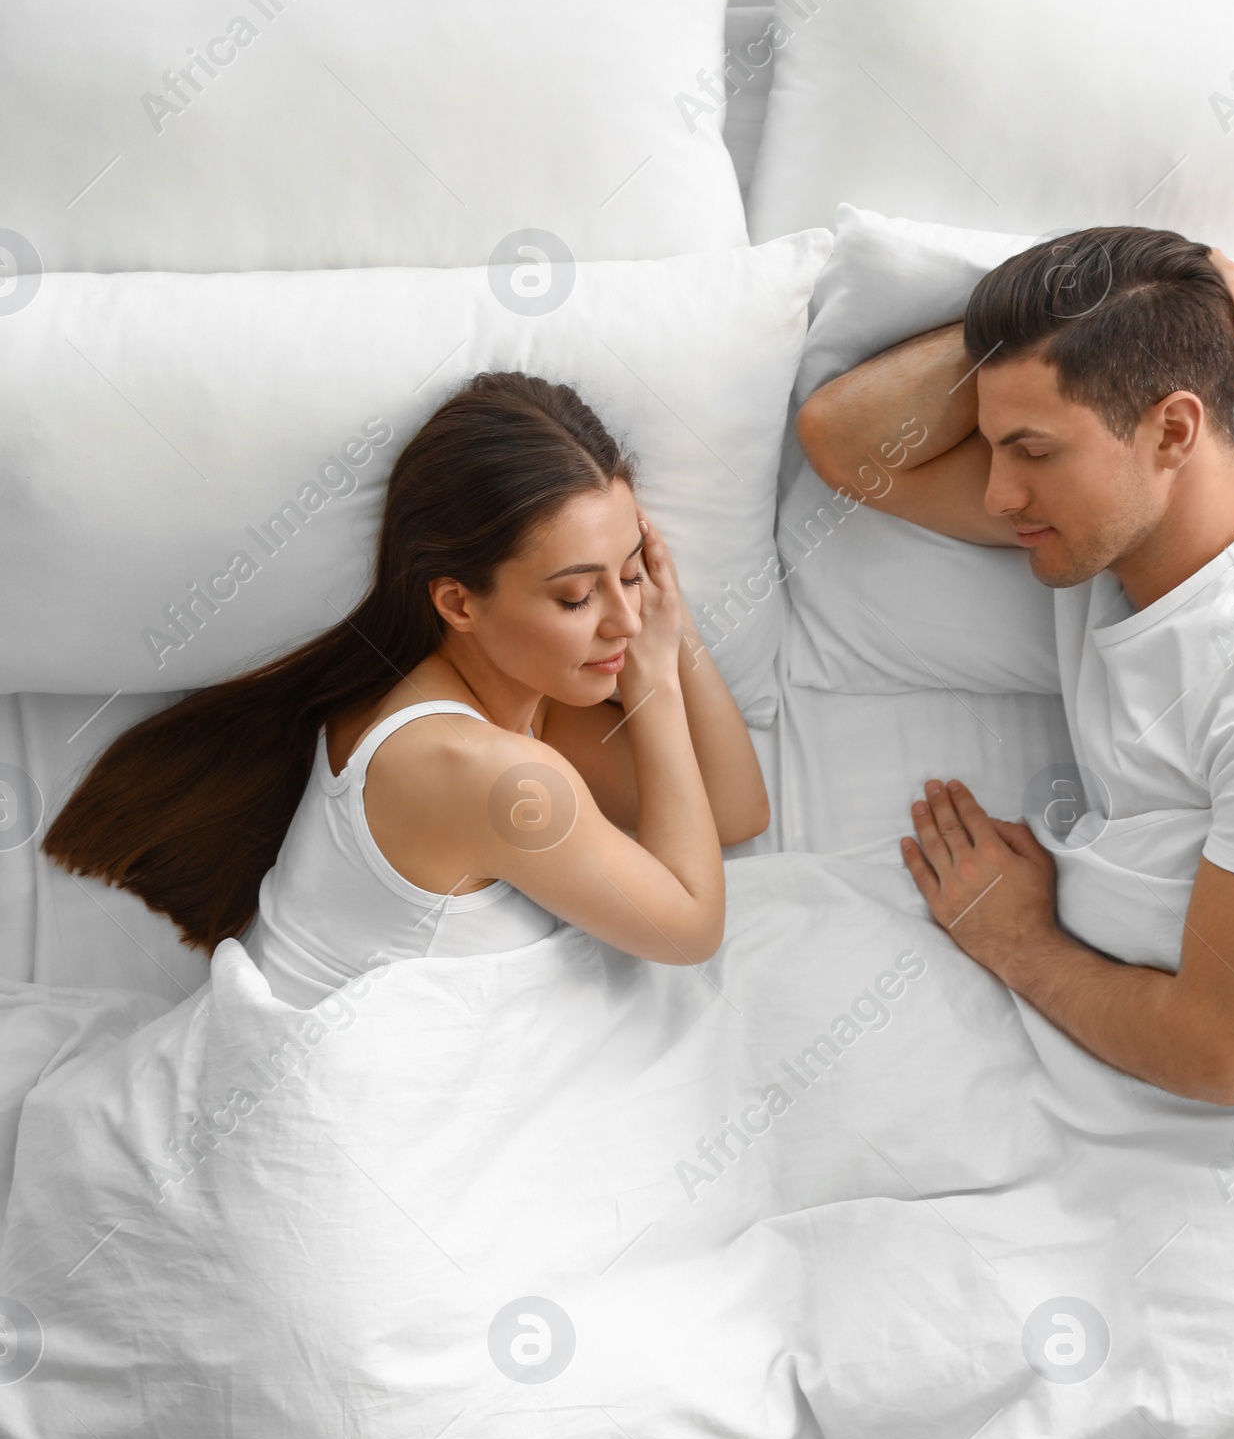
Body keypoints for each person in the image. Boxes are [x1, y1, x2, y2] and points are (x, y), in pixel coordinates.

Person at [795, 230, 1234, 1105]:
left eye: (1032, 452)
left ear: (1174, 430)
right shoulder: (1132, 516)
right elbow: (846, 437)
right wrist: (1142, 298)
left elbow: (1217, 1057)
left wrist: (1014, 937)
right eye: (994, 446)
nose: (999, 493)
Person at [44, 373, 769, 1004]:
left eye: (633, 573)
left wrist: (675, 634)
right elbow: (691, 929)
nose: (626, 619)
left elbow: (734, 811)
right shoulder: (483, 771)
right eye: (578, 597)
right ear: (459, 603)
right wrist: (657, 683)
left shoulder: (508, 702)